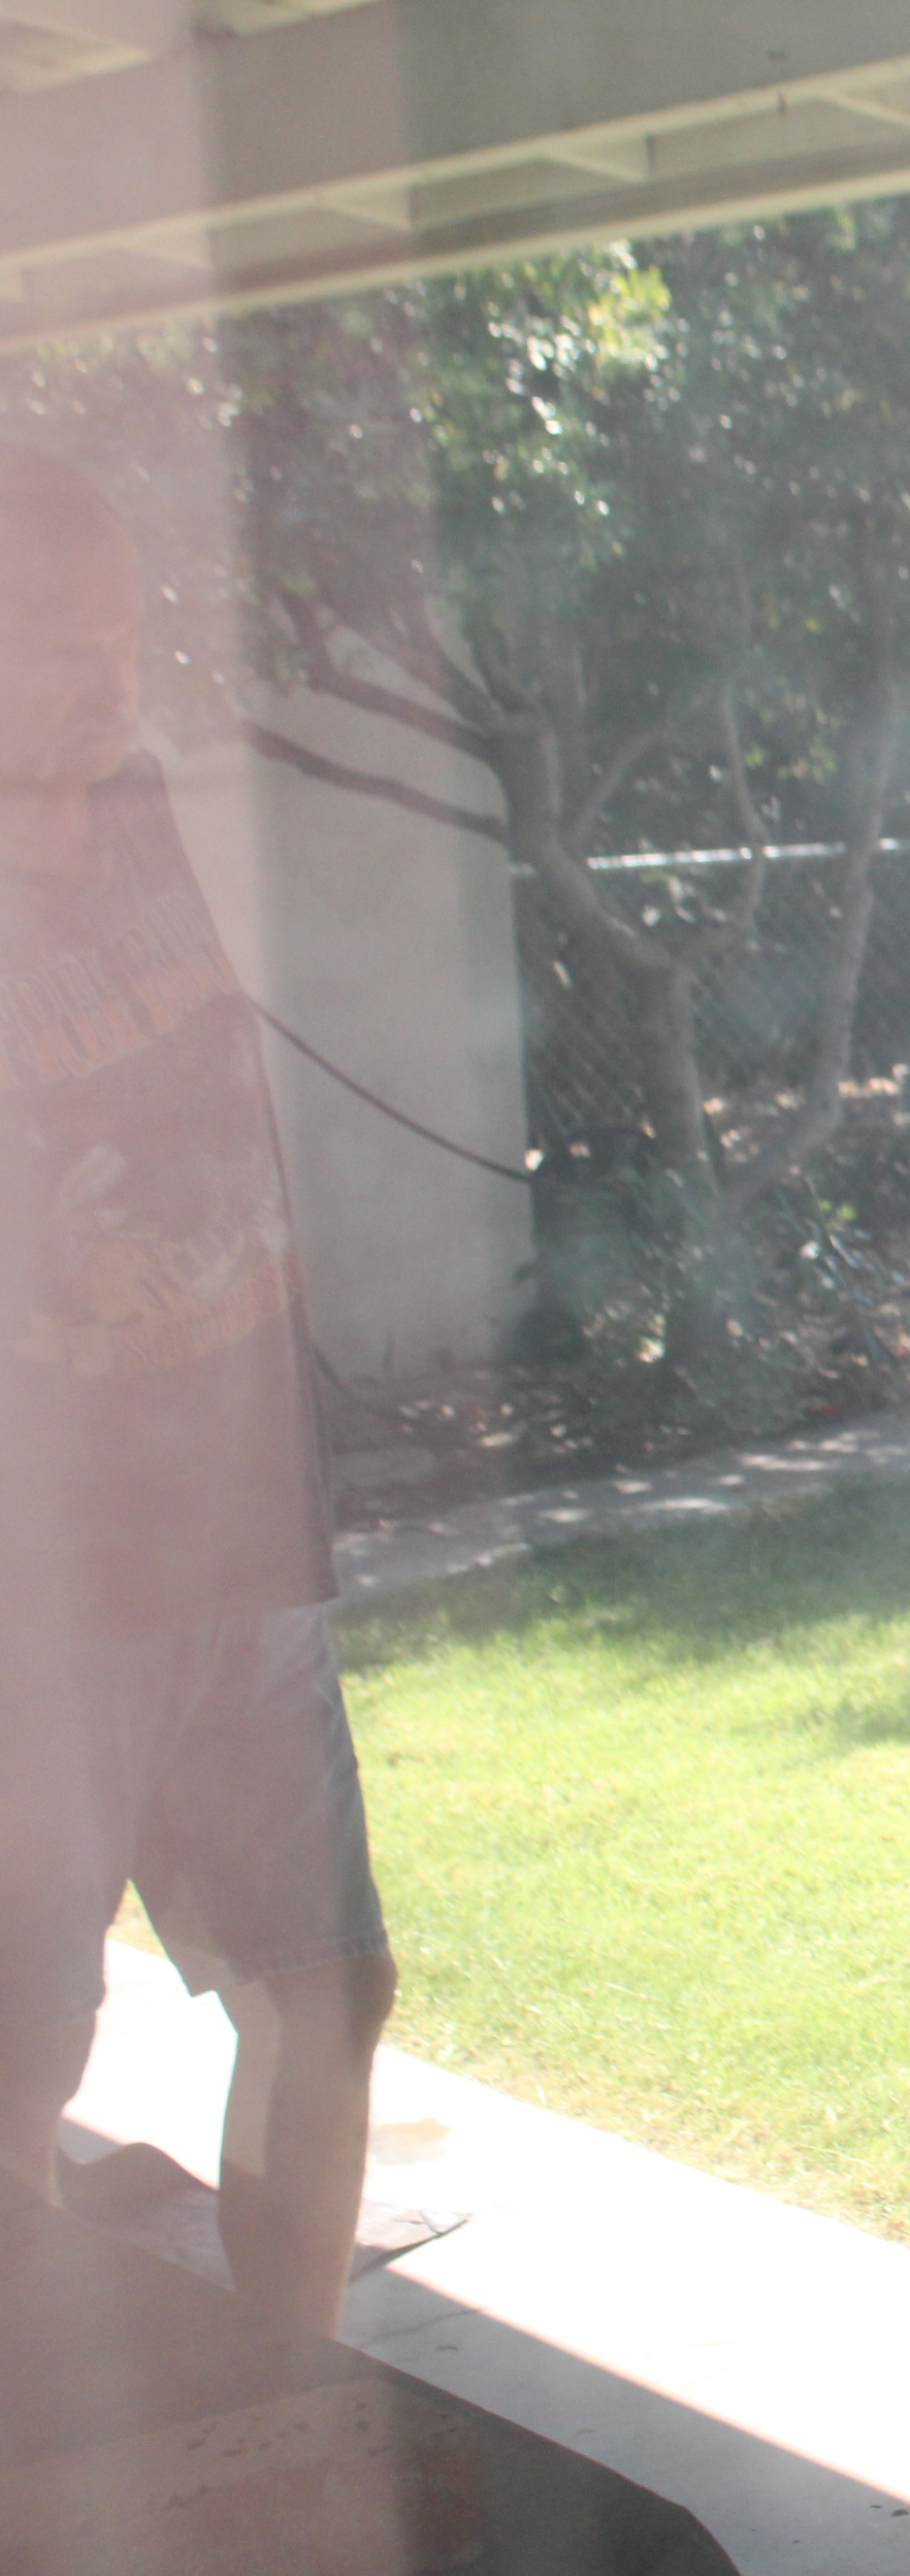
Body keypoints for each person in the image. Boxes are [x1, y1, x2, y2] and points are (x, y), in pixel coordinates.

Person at [0, 444, 396, 2339]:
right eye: (55, 638)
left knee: (328, 1990)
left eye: (123, 628)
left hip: (242, 1548)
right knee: (24, 2044)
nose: (111, 674)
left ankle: (285, 2388)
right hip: (47, 1604)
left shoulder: (148, 807)